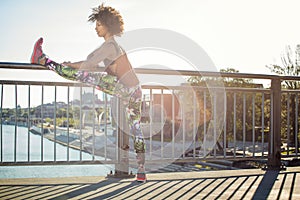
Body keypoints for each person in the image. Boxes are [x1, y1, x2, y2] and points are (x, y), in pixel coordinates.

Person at [30, 4, 146, 182]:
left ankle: (42, 59)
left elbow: (89, 64)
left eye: (99, 24)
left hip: (122, 88)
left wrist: (70, 66)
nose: (96, 27)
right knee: (136, 130)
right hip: (135, 91)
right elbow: (97, 64)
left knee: (82, 75)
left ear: (108, 25)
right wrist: (76, 64)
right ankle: (141, 171)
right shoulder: (115, 46)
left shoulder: (110, 46)